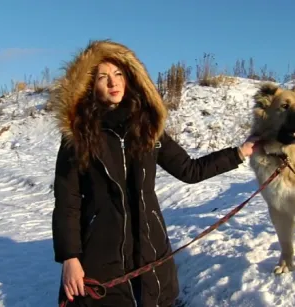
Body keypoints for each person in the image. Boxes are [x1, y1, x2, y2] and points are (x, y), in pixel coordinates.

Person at [50, 40, 259, 307]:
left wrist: (239, 153)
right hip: (100, 254)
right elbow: (68, 202)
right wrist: (70, 258)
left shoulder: (148, 129)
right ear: (90, 85)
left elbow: (190, 170)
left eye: (118, 75)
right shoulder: (77, 138)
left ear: (130, 80)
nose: (113, 83)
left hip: (150, 247)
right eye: (103, 77)